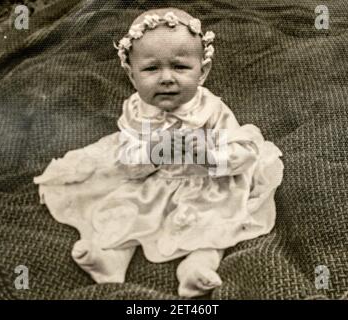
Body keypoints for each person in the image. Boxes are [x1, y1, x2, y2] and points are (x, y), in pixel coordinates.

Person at [34, 8, 284, 298]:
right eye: (151, 69)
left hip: (205, 186)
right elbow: (127, 162)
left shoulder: (211, 110)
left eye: (180, 67)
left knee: (216, 222)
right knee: (123, 212)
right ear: (131, 74)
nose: (166, 78)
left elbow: (243, 152)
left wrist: (209, 154)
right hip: (152, 184)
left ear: (202, 71)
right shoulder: (136, 111)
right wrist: (152, 155)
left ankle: (198, 264)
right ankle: (110, 258)